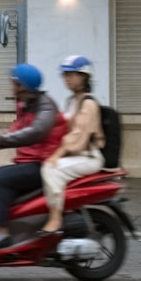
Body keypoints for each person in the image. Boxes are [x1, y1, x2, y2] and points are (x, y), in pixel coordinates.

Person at [0, 63, 67, 251]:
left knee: (1, 179)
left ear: (22, 86)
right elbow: (15, 132)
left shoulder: (46, 106)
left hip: (43, 164)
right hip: (26, 162)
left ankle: (1, 233)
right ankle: (4, 220)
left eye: (13, 83)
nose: (11, 87)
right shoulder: (24, 105)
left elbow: (35, 132)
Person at [39, 55, 105, 235]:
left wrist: (57, 154)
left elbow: (78, 136)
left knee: (51, 169)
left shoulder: (88, 103)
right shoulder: (71, 101)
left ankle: (55, 218)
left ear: (84, 77)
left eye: (72, 75)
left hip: (87, 157)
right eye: (65, 75)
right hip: (74, 154)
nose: (67, 79)